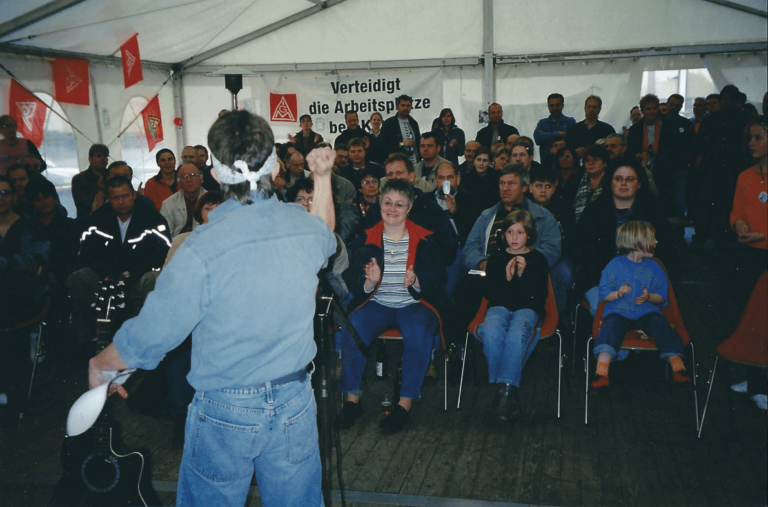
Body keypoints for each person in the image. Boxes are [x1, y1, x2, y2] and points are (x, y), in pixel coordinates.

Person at [87, 111, 337, 507]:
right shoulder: (304, 228)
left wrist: (103, 362)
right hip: (294, 401)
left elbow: (154, 332)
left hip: (226, 410)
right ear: (274, 167)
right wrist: (322, 177)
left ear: (215, 175)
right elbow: (324, 233)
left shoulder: (200, 247)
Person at [338, 179, 445, 434]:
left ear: (409, 208)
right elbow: (351, 279)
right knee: (353, 326)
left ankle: (404, 404)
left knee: (418, 330)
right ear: (380, 204)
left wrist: (417, 281)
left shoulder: (426, 239)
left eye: (399, 204)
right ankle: (351, 401)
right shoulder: (365, 238)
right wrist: (368, 281)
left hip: (414, 304)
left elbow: (439, 278)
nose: (392, 209)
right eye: (387, 202)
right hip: (378, 302)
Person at [590, 220, 692, 389]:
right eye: (652, 238)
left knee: (661, 325)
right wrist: (618, 293)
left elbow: (662, 298)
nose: (656, 242)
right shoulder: (614, 265)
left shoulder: (655, 267)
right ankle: (601, 371)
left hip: (647, 313)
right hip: (619, 312)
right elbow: (604, 296)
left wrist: (649, 296)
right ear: (636, 242)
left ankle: (678, 367)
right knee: (610, 327)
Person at [576, 157, 679, 312]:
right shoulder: (593, 211)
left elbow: (667, 250)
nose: (623, 184)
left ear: (639, 184)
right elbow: (582, 250)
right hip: (600, 279)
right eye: (618, 179)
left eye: (630, 179)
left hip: (644, 280)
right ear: (610, 183)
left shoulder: (653, 212)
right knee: (607, 310)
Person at [478, 210, 550, 421]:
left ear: (529, 234)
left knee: (517, 334)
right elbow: (490, 293)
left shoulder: (538, 259)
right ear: (504, 235)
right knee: (491, 331)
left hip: (527, 308)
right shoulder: (497, 257)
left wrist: (521, 277)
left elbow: (538, 297)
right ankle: (507, 388)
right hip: (499, 306)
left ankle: (503, 389)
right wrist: (508, 279)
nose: (515, 237)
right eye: (510, 232)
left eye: (520, 232)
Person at [730, 122, 767, 264]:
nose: (751, 143)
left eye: (758, 138)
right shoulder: (745, 176)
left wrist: (763, 236)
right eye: (750, 138)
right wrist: (738, 223)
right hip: (749, 250)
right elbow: (736, 212)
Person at [160, 163, 207, 238]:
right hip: (179, 243)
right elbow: (165, 235)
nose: (189, 180)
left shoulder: (212, 201)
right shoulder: (168, 203)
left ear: (201, 179)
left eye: (193, 175)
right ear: (178, 181)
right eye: (184, 176)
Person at [567, 144, 610, 222]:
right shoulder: (575, 180)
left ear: (605, 163)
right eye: (587, 160)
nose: (591, 163)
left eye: (596, 159)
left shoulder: (611, 182)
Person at [565, 95, 615, 163]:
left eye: (594, 107)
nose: (591, 110)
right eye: (589, 107)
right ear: (585, 108)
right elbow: (567, 148)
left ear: (599, 109)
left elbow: (612, 150)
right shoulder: (574, 129)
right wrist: (575, 152)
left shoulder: (607, 129)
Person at [534, 93, 576, 167]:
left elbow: (572, 140)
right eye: (552, 106)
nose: (554, 108)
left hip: (566, 164)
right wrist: (558, 134)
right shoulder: (543, 123)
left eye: (557, 105)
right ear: (548, 107)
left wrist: (546, 136)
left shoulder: (569, 121)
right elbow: (537, 138)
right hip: (547, 165)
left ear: (562, 105)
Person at [380, 94, 422, 166]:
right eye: (403, 105)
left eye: (408, 106)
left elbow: (418, 143)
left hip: (415, 163)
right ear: (397, 107)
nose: (405, 108)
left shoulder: (414, 123)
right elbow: (383, 145)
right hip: (397, 164)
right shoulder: (389, 124)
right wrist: (402, 144)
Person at [71, 143, 109, 219]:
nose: (102, 159)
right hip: (87, 220)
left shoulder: (112, 176)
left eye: (105, 156)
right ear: (90, 159)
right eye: (98, 156)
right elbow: (82, 205)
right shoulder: (79, 179)